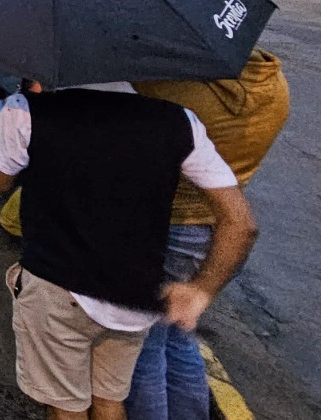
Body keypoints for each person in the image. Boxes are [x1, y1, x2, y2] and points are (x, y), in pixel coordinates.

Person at [0, 83, 258, 420]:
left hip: (57, 288)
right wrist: (203, 289)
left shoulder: (26, 110)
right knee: (109, 401)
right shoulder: (180, 121)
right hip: (132, 298)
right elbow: (241, 224)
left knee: (67, 408)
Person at [124, 50, 290, 420]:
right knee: (178, 339)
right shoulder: (273, 85)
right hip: (211, 228)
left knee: (140, 347)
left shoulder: (176, 91)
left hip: (163, 224)